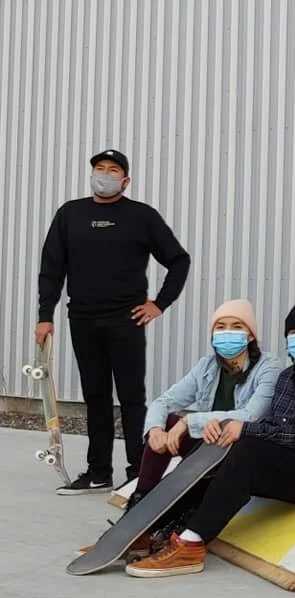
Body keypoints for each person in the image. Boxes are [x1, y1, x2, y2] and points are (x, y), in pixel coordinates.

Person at [121, 295, 295, 578]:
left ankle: (191, 544)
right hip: (292, 461)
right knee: (219, 459)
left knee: (246, 448)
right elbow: (275, 425)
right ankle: (145, 529)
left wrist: (246, 430)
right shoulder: (288, 378)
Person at [78, 299, 285, 560]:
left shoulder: (269, 367)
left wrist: (189, 421)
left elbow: (252, 415)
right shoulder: (207, 366)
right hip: (207, 444)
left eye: (237, 326)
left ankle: (152, 526)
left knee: (180, 424)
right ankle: (137, 516)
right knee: (166, 423)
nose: (227, 333)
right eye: (221, 327)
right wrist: (155, 431)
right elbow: (163, 402)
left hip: (239, 447)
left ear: (251, 335)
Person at [37, 149, 192, 494]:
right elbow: (52, 268)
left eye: (113, 170)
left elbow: (178, 260)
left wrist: (159, 304)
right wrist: (45, 316)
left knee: (132, 397)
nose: (104, 175)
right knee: (95, 396)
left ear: (125, 180)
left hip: (126, 320)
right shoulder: (70, 214)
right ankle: (98, 472)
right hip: (83, 318)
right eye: (99, 168)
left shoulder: (141, 216)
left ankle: (138, 471)